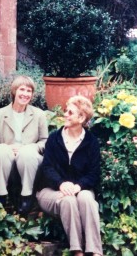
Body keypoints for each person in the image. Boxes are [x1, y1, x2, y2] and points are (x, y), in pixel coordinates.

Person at [36, 95, 103, 256]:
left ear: (81, 118)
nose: (65, 114)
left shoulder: (91, 142)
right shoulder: (54, 138)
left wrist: (78, 186)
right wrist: (61, 184)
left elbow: (94, 173)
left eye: (70, 112)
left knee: (87, 199)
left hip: (79, 188)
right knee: (68, 200)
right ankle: (77, 251)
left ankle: (95, 251)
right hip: (50, 191)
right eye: (66, 111)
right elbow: (47, 168)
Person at [0, 75, 48, 215]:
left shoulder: (39, 115)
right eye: (22, 89)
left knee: (27, 152)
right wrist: (7, 148)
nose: (25, 94)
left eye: (29, 91)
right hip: (6, 159)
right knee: (1, 150)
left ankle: (26, 197)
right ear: (14, 91)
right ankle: (0, 196)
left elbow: (45, 141)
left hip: (30, 160)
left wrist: (31, 147)